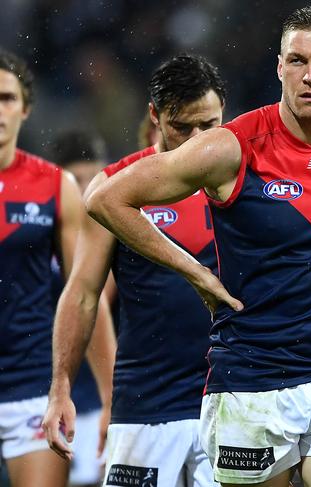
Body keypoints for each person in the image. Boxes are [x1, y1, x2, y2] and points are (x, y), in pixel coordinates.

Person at [85, 6, 311, 487]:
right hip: (249, 385)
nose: (310, 76)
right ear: (279, 67)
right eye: (297, 61)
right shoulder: (231, 146)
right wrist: (195, 272)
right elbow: (105, 199)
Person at [42, 54, 227, 487]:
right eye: (183, 127)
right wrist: (61, 386)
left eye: (210, 125)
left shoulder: (247, 184)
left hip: (231, 406)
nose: (198, 140)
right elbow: (84, 292)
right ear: (155, 117)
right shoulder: (115, 188)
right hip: (145, 407)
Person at [0, 48, 83, 487]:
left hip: (32, 387)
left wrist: (109, 396)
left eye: (6, 98)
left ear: (26, 108)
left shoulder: (56, 186)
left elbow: (84, 293)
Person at [49, 130, 113, 487]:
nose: (88, 190)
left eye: (95, 177)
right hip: (63, 396)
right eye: (77, 181)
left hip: (110, 394)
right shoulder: (42, 249)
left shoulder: (124, 227)